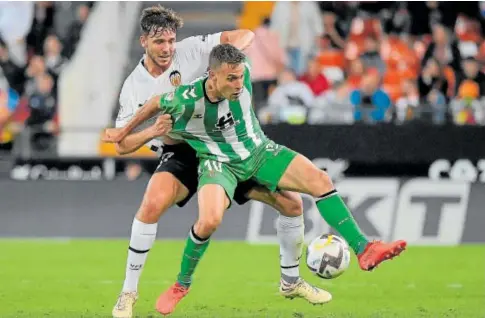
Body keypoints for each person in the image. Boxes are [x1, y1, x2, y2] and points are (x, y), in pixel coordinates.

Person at [105, 44, 407, 315]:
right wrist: (122, 131)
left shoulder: (243, 71)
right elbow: (155, 102)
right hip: (218, 163)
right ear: (212, 76)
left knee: (318, 182)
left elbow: (244, 40)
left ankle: (363, 249)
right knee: (209, 221)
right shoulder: (185, 99)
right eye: (231, 79)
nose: (238, 84)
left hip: (260, 152)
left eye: (240, 76)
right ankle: (181, 284)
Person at [109, 6, 321, 318]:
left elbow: (242, 35)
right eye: (159, 43)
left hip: (224, 145)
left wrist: (230, 56)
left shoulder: (193, 49)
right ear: (143, 42)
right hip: (181, 154)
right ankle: (128, 293)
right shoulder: (133, 87)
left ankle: (291, 281)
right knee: (151, 205)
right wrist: (152, 131)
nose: (167, 49)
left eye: (170, 41)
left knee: (291, 203)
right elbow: (122, 145)